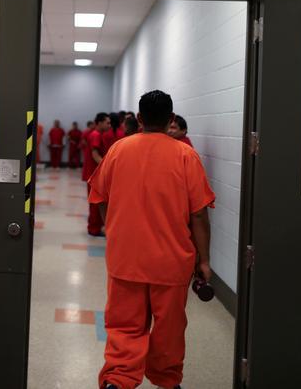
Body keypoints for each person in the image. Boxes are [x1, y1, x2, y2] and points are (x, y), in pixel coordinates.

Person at [89, 90, 215, 389]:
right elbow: (198, 216)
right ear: (171, 119)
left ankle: (118, 379)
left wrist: (113, 228)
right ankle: (167, 381)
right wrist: (205, 259)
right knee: (169, 327)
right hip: (171, 261)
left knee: (124, 324)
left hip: (126, 257)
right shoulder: (186, 156)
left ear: (140, 118)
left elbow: (100, 197)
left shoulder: (118, 150)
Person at [82, 112, 110, 237]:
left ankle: (94, 227)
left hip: (93, 173)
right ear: (99, 122)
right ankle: (93, 229)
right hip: (93, 173)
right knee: (95, 203)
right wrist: (108, 166)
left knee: (96, 202)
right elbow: (95, 155)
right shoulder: (96, 135)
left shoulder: (97, 134)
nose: (109, 125)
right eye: (107, 122)